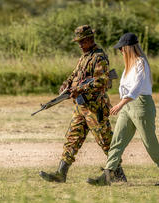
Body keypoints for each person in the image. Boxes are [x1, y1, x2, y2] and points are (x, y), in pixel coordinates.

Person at [39, 25, 126, 183]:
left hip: (95, 108)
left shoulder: (99, 57)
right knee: (72, 138)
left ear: (90, 39)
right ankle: (61, 173)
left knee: (105, 141)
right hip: (81, 107)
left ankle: (117, 175)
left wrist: (80, 89)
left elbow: (102, 81)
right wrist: (67, 84)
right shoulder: (84, 57)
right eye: (78, 41)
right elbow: (75, 74)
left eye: (82, 41)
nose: (79, 44)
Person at [88, 32, 159, 186]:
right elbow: (125, 89)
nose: (120, 51)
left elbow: (136, 88)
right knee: (117, 140)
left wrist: (120, 104)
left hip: (141, 106)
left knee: (149, 142)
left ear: (128, 48)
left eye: (121, 48)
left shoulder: (141, 63)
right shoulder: (128, 66)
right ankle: (107, 175)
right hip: (127, 106)